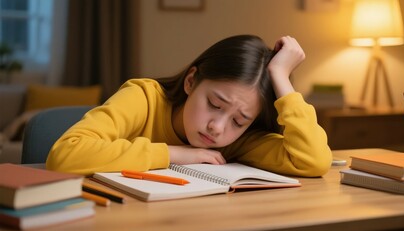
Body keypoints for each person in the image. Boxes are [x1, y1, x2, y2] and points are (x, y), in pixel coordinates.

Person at [46, 35, 332, 177]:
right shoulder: (143, 97)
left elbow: (314, 161)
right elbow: (65, 155)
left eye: (239, 120)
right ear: (191, 81)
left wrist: (282, 79)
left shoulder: (236, 142)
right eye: (214, 104)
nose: (217, 128)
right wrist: (176, 154)